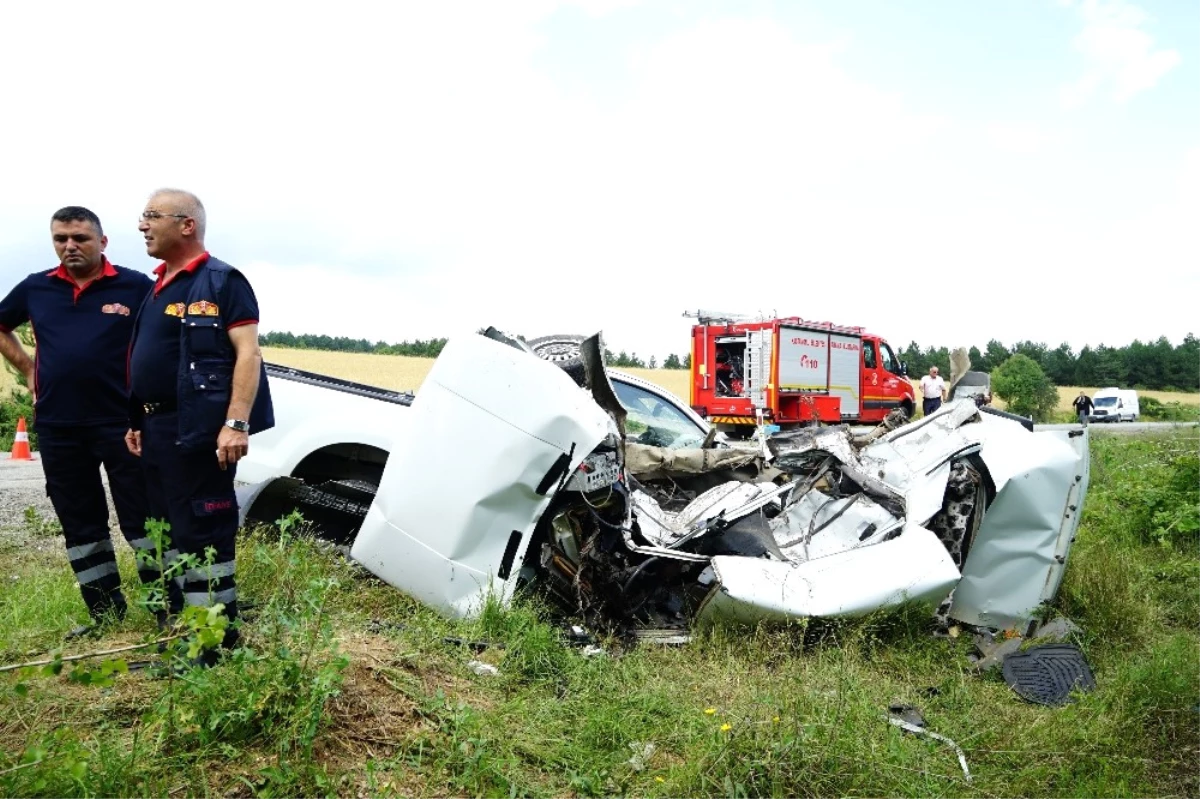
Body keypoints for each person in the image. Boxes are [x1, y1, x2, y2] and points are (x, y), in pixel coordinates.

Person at [0, 206, 180, 637]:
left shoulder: (136, 286)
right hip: (60, 427)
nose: (69, 246)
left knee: (145, 519)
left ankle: (164, 611)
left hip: (124, 424)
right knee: (81, 525)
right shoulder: (36, 288)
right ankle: (104, 615)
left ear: (102, 242)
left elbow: (167, 337)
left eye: (79, 238)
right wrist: (28, 369)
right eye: (61, 238)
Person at [125, 189, 274, 663]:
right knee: (171, 530)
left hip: (199, 432)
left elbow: (247, 353)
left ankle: (216, 645)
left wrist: (235, 423)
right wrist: (137, 418)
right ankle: (189, 632)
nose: (143, 225)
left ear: (186, 224)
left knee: (203, 530)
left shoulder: (220, 281)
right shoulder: (159, 284)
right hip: (157, 429)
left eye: (152, 216)